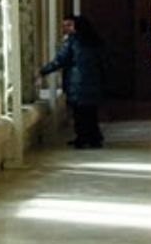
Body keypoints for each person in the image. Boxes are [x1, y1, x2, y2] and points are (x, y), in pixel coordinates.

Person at [40, 14, 105, 148]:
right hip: (93, 81)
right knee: (91, 112)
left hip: (77, 81)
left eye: (69, 25)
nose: (66, 29)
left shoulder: (72, 41)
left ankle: (82, 138)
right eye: (64, 25)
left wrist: (43, 71)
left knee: (79, 112)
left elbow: (60, 60)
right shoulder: (95, 41)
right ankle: (94, 138)